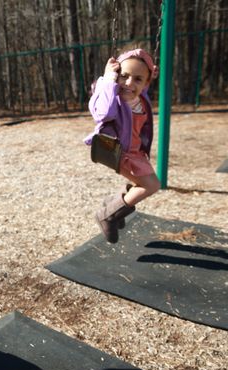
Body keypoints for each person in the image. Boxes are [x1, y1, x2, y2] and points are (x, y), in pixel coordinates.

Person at [85, 47, 160, 243]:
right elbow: (103, 114)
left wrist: (149, 72)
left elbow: (138, 86)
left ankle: (113, 203)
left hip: (135, 153)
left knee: (143, 184)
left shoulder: (140, 97)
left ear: (146, 83)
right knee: (151, 185)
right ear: (116, 75)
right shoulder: (111, 96)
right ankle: (108, 215)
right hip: (118, 152)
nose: (128, 83)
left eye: (138, 79)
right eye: (124, 76)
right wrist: (109, 79)